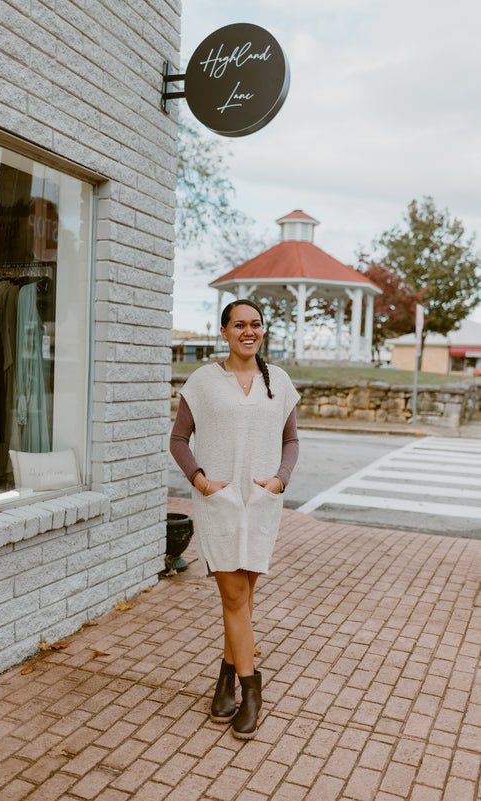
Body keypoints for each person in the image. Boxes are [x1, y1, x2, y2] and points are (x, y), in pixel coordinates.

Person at [170, 299, 300, 739]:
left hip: (262, 503)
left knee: (242, 601)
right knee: (233, 598)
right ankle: (251, 690)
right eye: (239, 324)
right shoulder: (204, 381)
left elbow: (292, 440)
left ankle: (225, 680)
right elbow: (178, 439)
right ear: (223, 331)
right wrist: (203, 483)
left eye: (256, 324)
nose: (249, 331)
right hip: (220, 503)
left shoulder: (277, 382)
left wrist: (279, 481)